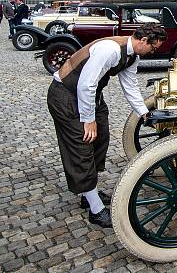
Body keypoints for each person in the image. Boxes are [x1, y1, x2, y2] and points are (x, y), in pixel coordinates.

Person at [47, 23, 167, 228]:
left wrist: (144, 113)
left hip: (90, 97)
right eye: (153, 48)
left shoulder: (132, 56)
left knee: (100, 138)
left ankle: (88, 192)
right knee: (82, 145)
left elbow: (129, 85)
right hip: (66, 96)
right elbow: (86, 84)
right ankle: (95, 209)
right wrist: (88, 120)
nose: (153, 52)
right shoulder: (110, 50)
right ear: (144, 41)